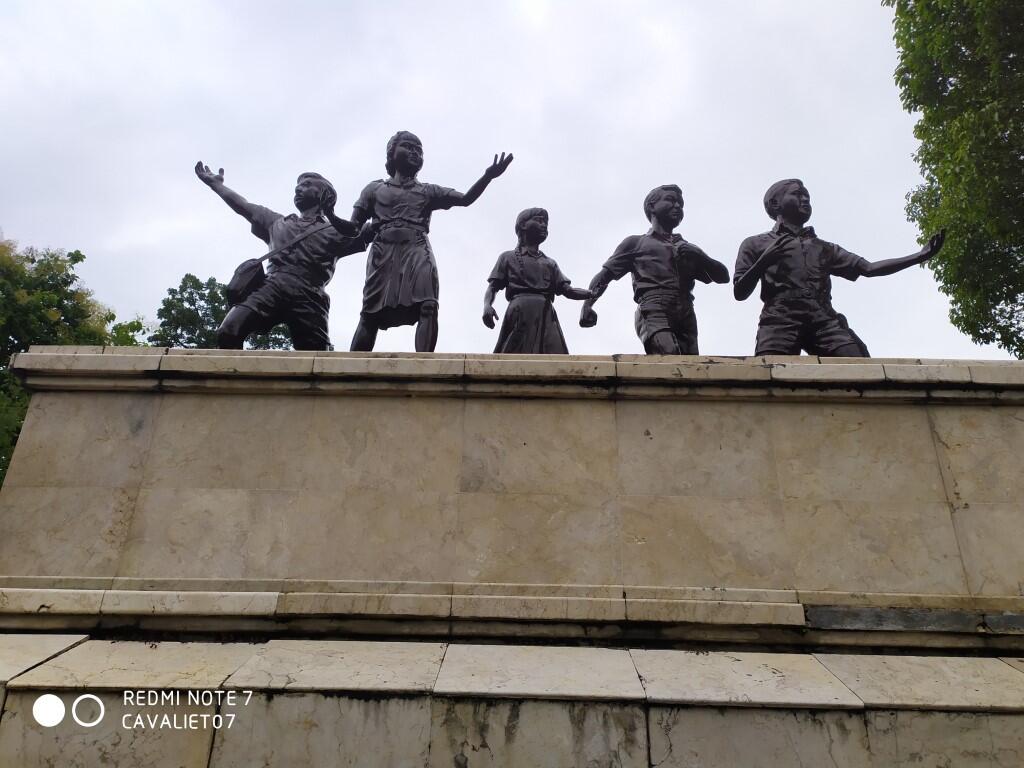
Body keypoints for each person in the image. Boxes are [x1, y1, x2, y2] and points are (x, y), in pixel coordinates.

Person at [734, 178, 946, 357]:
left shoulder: (824, 248)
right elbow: (739, 291)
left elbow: (869, 269)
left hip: (823, 319)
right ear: (775, 203)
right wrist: (763, 261)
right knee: (769, 379)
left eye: (807, 195)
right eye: (797, 194)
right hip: (779, 321)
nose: (805, 199)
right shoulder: (756, 244)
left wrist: (919, 256)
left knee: (861, 370)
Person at [348, 131, 513, 352]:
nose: (415, 152)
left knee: (427, 305)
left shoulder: (428, 191)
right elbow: (352, 228)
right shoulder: (374, 189)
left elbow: (465, 200)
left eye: (420, 150)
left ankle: (424, 363)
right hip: (383, 252)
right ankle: (354, 369)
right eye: (408, 147)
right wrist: (329, 214)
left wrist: (488, 176)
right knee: (370, 313)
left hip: (417, 250)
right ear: (391, 153)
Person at [194, 162, 365, 350]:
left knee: (317, 356)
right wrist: (216, 184)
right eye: (297, 186)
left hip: (309, 295)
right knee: (229, 331)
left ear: (325, 194)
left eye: (307, 185)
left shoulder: (337, 231)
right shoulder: (277, 222)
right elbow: (243, 205)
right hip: (272, 286)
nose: (299, 188)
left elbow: (374, 228)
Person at [579, 184, 729, 354]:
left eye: (680, 203)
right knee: (670, 356)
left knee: (691, 366)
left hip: (686, 311)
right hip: (654, 308)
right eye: (671, 200)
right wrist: (587, 305)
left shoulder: (687, 248)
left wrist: (702, 256)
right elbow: (604, 276)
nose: (678, 206)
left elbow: (723, 277)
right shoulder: (636, 243)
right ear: (652, 207)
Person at [483, 208, 592, 354]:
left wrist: (590, 293)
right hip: (519, 311)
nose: (544, 225)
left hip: (546, 312)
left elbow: (568, 291)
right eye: (539, 220)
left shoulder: (549, 263)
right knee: (513, 355)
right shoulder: (507, 257)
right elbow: (493, 287)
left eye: (546, 222)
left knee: (556, 360)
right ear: (523, 225)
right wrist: (487, 306)